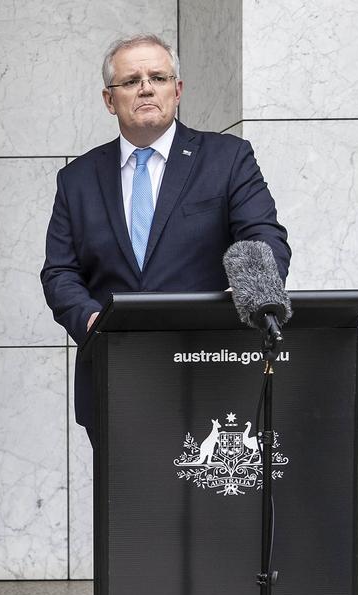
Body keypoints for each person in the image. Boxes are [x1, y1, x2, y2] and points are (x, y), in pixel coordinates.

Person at [41, 33, 290, 435]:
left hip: (212, 366)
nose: (145, 88)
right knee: (129, 499)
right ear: (109, 99)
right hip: (113, 372)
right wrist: (89, 320)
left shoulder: (227, 158)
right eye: (130, 80)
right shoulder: (77, 179)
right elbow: (59, 272)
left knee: (215, 497)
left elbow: (263, 237)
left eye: (157, 77)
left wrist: (249, 293)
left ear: (177, 91)